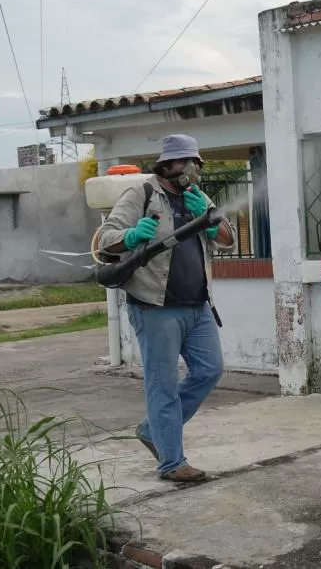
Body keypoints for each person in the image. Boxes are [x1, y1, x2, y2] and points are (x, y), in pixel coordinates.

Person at [97, 133, 236, 482]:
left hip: (198, 306)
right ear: (166, 164)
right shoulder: (141, 194)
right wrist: (130, 237)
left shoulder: (197, 196)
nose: (192, 168)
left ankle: (152, 429)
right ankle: (172, 463)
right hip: (155, 307)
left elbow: (229, 239)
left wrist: (207, 216)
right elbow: (105, 239)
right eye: (184, 161)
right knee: (162, 385)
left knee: (209, 370)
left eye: (196, 162)